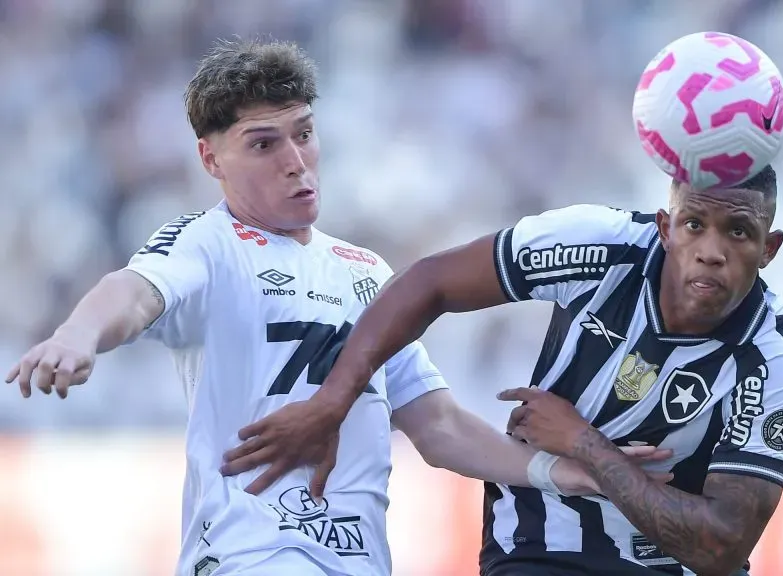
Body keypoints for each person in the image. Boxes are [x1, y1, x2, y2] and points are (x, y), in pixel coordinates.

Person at [3, 39, 672, 576]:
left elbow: (435, 426)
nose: (298, 161)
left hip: (355, 558)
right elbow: (136, 289)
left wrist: (568, 474)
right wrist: (76, 334)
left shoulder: (365, 272)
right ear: (212, 159)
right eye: (265, 144)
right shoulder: (208, 243)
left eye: (304, 133)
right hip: (253, 554)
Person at [224, 165, 783, 576]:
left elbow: (720, 544)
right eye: (694, 225)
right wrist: (333, 402)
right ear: (666, 227)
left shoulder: (778, 357)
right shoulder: (599, 244)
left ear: (770, 248)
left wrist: (584, 443)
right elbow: (430, 283)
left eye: (739, 232)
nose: (711, 250)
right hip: (541, 548)